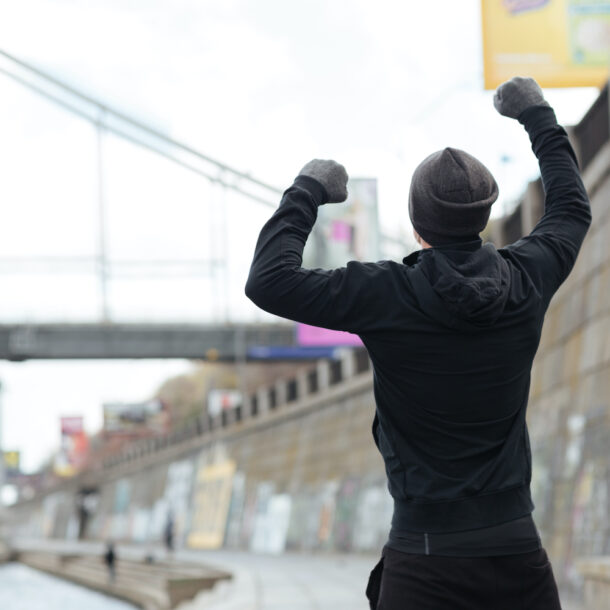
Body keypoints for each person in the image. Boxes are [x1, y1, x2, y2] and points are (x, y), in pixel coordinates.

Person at [244, 76, 591, 609]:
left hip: (425, 560)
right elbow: (570, 208)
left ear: (415, 223)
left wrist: (308, 189)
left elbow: (268, 280)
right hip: (516, 555)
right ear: (483, 215)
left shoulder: (385, 294)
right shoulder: (528, 278)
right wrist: (536, 114)